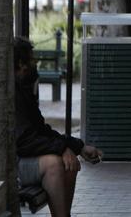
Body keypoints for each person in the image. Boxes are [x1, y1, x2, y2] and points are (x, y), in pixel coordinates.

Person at [14, 37, 103, 217]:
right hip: (10, 165)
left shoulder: (22, 90)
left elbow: (42, 130)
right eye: (31, 60)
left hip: (22, 160)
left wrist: (78, 146)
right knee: (54, 164)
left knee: (69, 164)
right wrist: (62, 148)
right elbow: (23, 140)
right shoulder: (12, 93)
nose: (35, 64)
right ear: (21, 64)